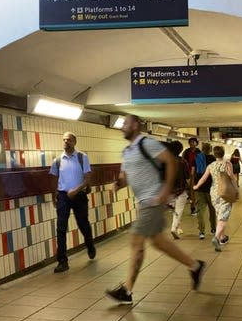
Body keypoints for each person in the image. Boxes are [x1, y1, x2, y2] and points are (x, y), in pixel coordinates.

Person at [107, 115, 205, 304]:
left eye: (125, 124)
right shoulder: (127, 152)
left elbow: (171, 161)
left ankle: (127, 291)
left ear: (135, 125)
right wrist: (119, 183)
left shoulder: (147, 144)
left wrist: (166, 189)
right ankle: (195, 266)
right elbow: (126, 176)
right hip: (144, 201)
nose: (122, 128)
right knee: (159, 242)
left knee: (136, 240)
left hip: (152, 200)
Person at [50, 132, 96, 273]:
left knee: (83, 224)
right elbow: (54, 179)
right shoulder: (57, 160)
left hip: (79, 196)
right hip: (63, 196)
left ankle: (90, 245)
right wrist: (54, 196)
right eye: (64, 140)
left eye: (69, 140)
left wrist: (76, 190)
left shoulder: (82, 157)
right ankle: (62, 261)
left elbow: (88, 178)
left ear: (74, 142)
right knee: (61, 228)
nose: (66, 142)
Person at [193, 145, 238, 252]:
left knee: (219, 214)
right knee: (223, 217)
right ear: (223, 153)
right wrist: (236, 189)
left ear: (214, 154)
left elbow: (203, 179)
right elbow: (232, 177)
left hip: (213, 192)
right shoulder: (227, 163)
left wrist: (196, 186)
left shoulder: (210, 165)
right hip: (225, 192)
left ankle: (222, 237)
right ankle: (217, 238)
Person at [167, 141, 190, 240]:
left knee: (174, 210)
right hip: (181, 190)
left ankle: (177, 227)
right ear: (180, 150)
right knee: (179, 210)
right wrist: (190, 188)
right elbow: (188, 176)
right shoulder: (183, 161)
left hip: (169, 191)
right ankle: (174, 228)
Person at [194, 142, 216, 240]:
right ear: (210, 149)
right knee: (212, 210)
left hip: (199, 188)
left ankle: (201, 232)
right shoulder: (213, 159)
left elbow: (193, 172)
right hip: (211, 189)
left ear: (202, 149)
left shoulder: (197, 158)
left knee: (200, 211)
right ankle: (213, 229)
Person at [182, 137, 203, 216]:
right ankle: (193, 208)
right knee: (192, 191)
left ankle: (195, 205)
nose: (192, 144)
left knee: (196, 191)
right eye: (190, 142)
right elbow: (183, 161)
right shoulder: (186, 152)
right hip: (189, 174)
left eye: (193, 142)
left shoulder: (199, 152)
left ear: (196, 143)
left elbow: (201, 163)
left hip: (197, 173)